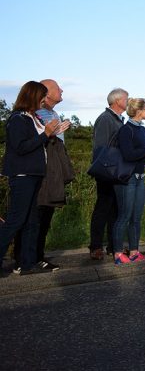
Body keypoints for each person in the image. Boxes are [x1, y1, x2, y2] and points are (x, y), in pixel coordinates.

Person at [0, 81, 69, 276]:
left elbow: (38, 142)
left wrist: (53, 133)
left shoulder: (32, 118)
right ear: (33, 96)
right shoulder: (18, 119)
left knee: (31, 222)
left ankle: (27, 264)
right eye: (42, 96)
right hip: (23, 176)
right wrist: (46, 134)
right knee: (16, 219)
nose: (43, 100)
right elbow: (21, 147)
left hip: (35, 174)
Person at [112, 98, 145, 264]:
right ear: (139, 111)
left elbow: (141, 155)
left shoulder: (143, 130)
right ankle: (118, 253)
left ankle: (134, 251)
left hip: (140, 178)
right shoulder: (126, 130)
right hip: (127, 178)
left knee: (136, 217)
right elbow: (128, 155)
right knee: (124, 216)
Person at [89, 88, 128, 260]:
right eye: (126, 98)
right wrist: (106, 168)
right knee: (103, 208)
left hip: (117, 171)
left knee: (115, 209)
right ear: (117, 100)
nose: (128, 101)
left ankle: (114, 246)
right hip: (107, 170)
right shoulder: (105, 119)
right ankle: (95, 246)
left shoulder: (119, 120)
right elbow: (101, 147)